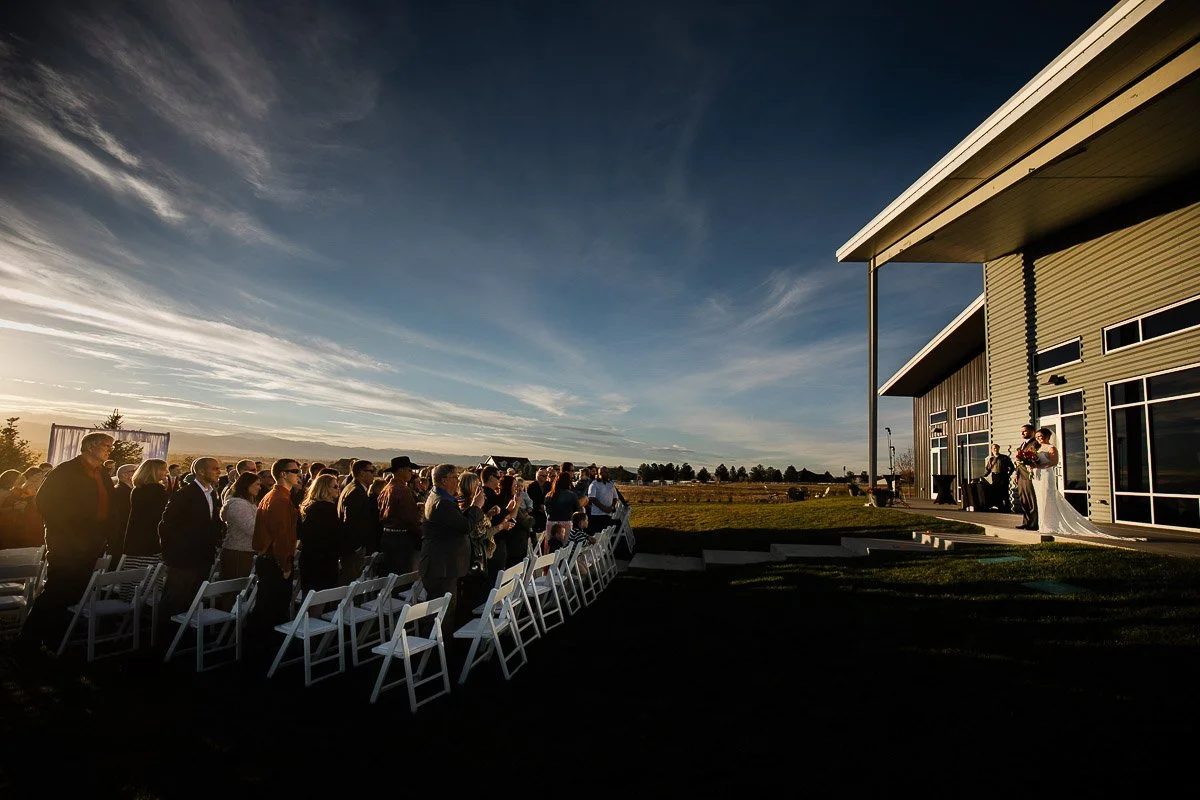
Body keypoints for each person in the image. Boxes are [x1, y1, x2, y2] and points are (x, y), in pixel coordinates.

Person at [20, 433, 116, 653]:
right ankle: (28, 640)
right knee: (56, 589)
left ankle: (55, 636)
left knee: (76, 591)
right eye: (106, 446)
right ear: (90, 447)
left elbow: (109, 506)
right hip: (66, 542)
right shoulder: (66, 470)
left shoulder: (102, 473)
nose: (109, 450)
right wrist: (69, 528)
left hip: (92, 542)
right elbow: (44, 501)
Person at [1030, 428, 1144, 540]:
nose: (1038, 439)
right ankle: (1044, 525)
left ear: (1047, 436)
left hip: (1046, 476)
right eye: (1037, 437)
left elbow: (1053, 463)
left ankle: (1051, 525)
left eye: (1040, 436)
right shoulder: (1039, 448)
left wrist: (1037, 466)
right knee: (1040, 500)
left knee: (1048, 499)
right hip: (1037, 478)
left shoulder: (1052, 448)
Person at [157, 457, 225, 644]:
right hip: (183, 557)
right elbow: (166, 524)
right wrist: (171, 553)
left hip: (203, 555)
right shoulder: (185, 494)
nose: (219, 472)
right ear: (201, 472)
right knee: (174, 598)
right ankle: (163, 640)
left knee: (192, 598)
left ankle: (184, 635)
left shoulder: (211, 493)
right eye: (215, 469)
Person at [419, 464, 485, 629]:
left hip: (444, 565)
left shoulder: (442, 498)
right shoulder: (442, 503)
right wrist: (476, 507)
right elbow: (465, 527)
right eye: (455, 477)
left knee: (445, 609)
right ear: (443, 480)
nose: (458, 481)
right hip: (442, 567)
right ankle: (440, 650)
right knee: (443, 613)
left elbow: (456, 522)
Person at [249, 459, 302, 636]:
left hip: (270, 560)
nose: (299, 474)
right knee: (272, 611)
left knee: (267, 608)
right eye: (295, 471)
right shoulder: (279, 499)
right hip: (275, 562)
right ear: (283, 474)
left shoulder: (277, 496)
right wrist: (285, 565)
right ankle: (266, 651)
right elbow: (281, 536)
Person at [298, 474, 343, 593]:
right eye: (335, 486)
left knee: (310, 595)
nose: (338, 489)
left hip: (310, 557)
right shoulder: (326, 508)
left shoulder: (310, 506)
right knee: (319, 597)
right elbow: (332, 535)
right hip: (323, 560)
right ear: (325, 488)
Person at [377, 456, 422, 575]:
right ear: (400, 470)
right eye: (409, 470)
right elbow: (410, 519)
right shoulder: (402, 490)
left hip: (387, 537)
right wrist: (422, 533)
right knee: (400, 578)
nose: (411, 473)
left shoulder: (386, 488)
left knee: (390, 576)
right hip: (401, 539)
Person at [337, 459, 379, 582]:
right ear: (361, 473)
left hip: (351, 547)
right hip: (352, 548)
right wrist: (357, 546)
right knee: (349, 581)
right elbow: (351, 522)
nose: (373, 474)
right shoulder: (356, 492)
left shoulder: (353, 488)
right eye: (371, 471)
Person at [122, 459, 169, 570]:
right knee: (147, 577)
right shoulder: (157, 491)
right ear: (154, 471)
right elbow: (161, 517)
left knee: (132, 575)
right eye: (163, 469)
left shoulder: (137, 489)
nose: (166, 471)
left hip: (135, 539)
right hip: (151, 540)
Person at [218, 471, 261, 581]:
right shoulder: (238, 504)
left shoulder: (247, 503)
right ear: (247, 485)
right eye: (257, 484)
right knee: (233, 589)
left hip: (245, 551)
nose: (259, 488)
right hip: (237, 552)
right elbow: (252, 528)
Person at [1013, 424, 1040, 530]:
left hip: (1029, 475)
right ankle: (1026, 522)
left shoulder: (1035, 443)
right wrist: (1016, 474)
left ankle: (1033, 523)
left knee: (1031, 500)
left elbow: (1036, 459)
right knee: (1023, 500)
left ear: (1032, 431)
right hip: (1021, 476)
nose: (1022, 433)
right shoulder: (1023, 444)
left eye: (1024, 431)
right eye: (1021, 431)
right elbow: (1018, 462)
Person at [587, 466, 618, 534]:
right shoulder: (594, 484)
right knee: (597, 535)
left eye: (607, 472)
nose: (606, 474)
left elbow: (615, 497)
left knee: (605, 536)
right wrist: (603, 508)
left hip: (608, 515)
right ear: (599, 474)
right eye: (604, 472)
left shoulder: (611, 484)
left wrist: (612, 507)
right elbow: (592, 498)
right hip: (597, 515)